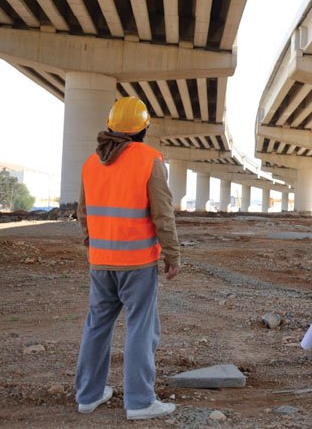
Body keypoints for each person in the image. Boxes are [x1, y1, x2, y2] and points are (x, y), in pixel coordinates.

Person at [75, 96, 181, 420]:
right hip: (137, 264)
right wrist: (172, 253)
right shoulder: (150, 160)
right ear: (143, 129)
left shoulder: (91, 163)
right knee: (140, 329)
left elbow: (83, 213)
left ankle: (88, 396)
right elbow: (162, 213)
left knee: (97, 326)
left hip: (100, 262)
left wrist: (94, 244)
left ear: (111, 126)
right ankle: (139, 402)